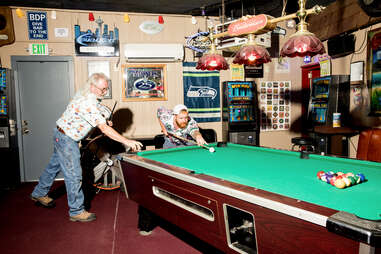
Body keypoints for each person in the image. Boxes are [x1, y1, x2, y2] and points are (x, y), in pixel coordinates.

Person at [30, 73, 142, 222]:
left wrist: (105, 116)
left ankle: (39, 193)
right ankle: (76, 211)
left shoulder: (87, 94)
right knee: (74, 175)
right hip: (67, 138)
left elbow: (102, 108)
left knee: (53, 166)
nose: (104, 92)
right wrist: (127, 141)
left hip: (61, 133)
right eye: (102, 89)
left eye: (106, 89)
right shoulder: (87, 103)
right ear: (92, 86)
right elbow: (104, 129)